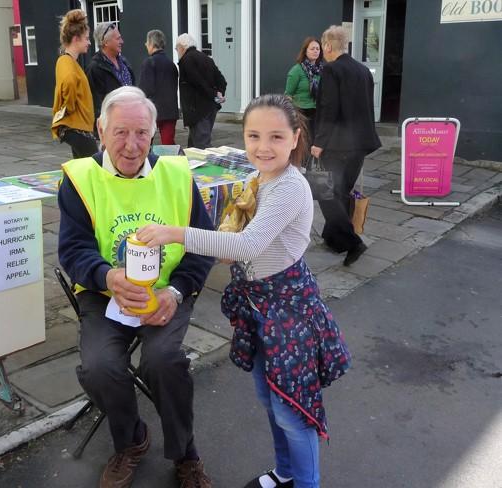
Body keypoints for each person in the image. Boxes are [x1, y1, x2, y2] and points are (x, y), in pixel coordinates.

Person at [137, 94, 351, 488]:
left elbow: (245, 246)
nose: (262, 147)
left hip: (288, 311)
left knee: (293, 410)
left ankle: (306, 483)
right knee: (271, 398)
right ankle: (284, 473)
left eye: (275, 136)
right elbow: (236, 240)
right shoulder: (259, 180)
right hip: (259, 307)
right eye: (253, 136)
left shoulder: (289, 187)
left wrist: (174, 234)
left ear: (294, 138)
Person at [57, 86, 214, 488]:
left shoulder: (178, 175)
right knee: (99, 368)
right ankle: (131, 439)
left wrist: (177, 291)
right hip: (105, 293)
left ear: (153, 132)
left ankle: (186, 453)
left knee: (163, 363)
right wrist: (107, 276)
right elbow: (72, 250)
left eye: (142, 133)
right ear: (100, 130)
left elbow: (203, 245)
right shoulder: (80, 178)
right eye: (121, 132)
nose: (132, 145)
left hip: (166, 292)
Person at [311, 25, 381, 266]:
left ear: (328, 46)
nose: (322, 52)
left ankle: (353, 243)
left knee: (325, 192)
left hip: (337, 145)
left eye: (323, 48)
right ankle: (333, 238)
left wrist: (319, 142)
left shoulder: (331, 70)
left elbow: (329, 108)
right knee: (339, 192)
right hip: (361, 143)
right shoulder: (363, 70)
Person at [51, 9, 98, 158]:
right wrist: (69, 107)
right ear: (76, 39)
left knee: (80, 172)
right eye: (86, 38)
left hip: (78, 128)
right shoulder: (66, 62)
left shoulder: (69, 62)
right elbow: (69, 82)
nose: (89, 42)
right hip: (77, 128)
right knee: (95, 168)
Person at [175, 33, 227, 149]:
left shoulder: (186, 60)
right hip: (209, 108)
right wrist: (219, 93)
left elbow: (198, 82)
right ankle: (189, 165)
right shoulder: (207, 59)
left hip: (197, 109)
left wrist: (214, 95)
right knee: (193, 146)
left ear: (182, 46)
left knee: (202, 147)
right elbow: (222, 80)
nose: (177, 51)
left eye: (176, 48)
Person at [86, 22, 135, 130]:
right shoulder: (95, 68)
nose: (122, 42)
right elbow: (96, 105)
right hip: (111, 129)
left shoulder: (124, 62)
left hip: (130, 123)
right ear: (106, 42)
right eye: (118, 39)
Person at [138, 29, 179, 145]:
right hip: (170, 111)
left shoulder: (149, 63)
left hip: (153, 111)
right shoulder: (172, 65)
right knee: (168, 145)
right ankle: (170, 163)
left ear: (152, 43)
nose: (145, 44)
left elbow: (145, 90)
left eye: (147, 42)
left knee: (145, 143)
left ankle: (148, 163)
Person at [285, 37, 323, 142]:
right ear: (305, 51)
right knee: (303, 146)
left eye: (318, 49)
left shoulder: (322, 71)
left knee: (315, 145)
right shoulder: (296, 71)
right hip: (301, 114)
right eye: (312, 49)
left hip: (317, 113)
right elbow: (288, 95)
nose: (316, 51)